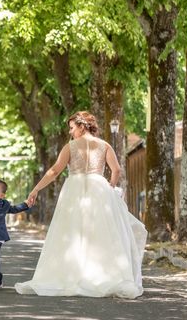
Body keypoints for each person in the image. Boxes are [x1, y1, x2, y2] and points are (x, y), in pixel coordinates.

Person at [15, 111, 147, 298]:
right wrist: (110, 186)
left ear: (82, 126)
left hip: (74, 190)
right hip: (99, 189)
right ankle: (102, 276)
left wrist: (35, 189)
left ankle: (73, 275)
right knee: (100, 233)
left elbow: (54, 171)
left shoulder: (70, 147)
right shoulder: (105, 145)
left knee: (71, 231)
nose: (70, 132)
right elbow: (116, 169)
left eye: (71, 128)